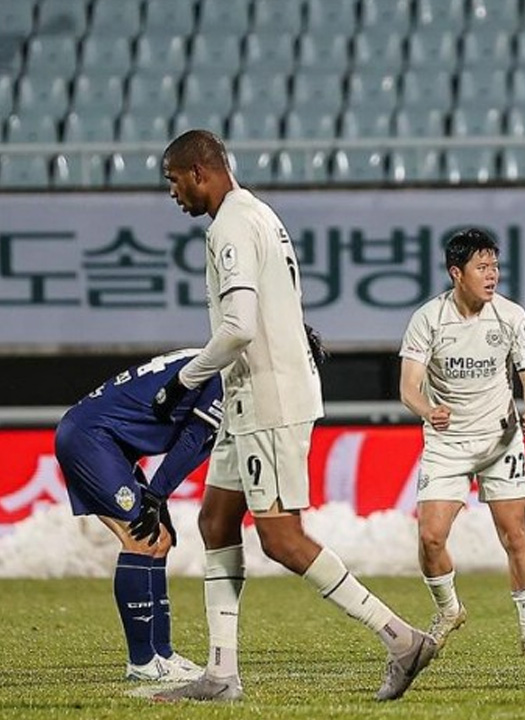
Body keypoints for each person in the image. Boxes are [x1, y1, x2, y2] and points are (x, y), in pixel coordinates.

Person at [151, 129, 434, 702]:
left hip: (269, 400)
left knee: (281, 538)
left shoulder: (231, 225)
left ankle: (402, 639)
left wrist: (183, 380)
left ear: (199, 172)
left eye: (174, 181)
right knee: (216, 522)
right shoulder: (258, 214)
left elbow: (238, 328)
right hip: (247, 397)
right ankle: (221, 674)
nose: (173, 193)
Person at [398, 228, 525, 657]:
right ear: (456, 273)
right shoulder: (429, 319)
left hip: (501, 440)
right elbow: (408, 387)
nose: (492, 275)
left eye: (495, 266)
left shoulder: (511, 316)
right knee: (430, 538)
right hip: (447, 442)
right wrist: (428, 410)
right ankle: (449, 609)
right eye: (482, 267)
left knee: (515, 535)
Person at [54, 349, 220, 684]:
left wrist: (159, 498)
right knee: (140, 539)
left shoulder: (214, 358)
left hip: (109, 441)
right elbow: (192, 440)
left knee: (159, 539)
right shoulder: (226, 374)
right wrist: (157, 495)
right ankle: (142, 661)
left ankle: (163, 654)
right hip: (93, 439)